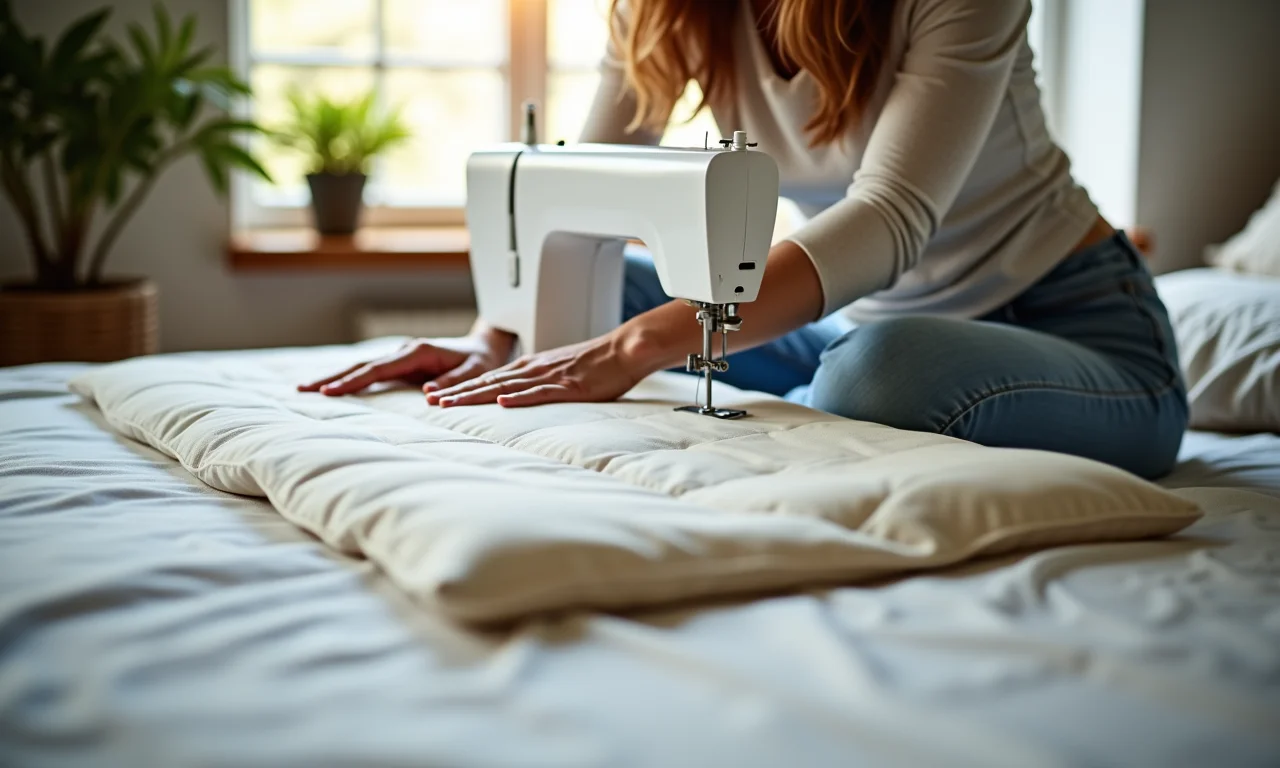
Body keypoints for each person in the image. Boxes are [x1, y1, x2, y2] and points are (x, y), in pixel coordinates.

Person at [300, 0, 1187, 479]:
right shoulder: (668, 12)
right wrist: (495, 338)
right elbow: (578, 204)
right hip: (856, 317)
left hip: (1075, 329)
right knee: (603, 298)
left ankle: (823, 389)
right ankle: (815, 385)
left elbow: (888, 216)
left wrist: (645, 344)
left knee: (873, 372)